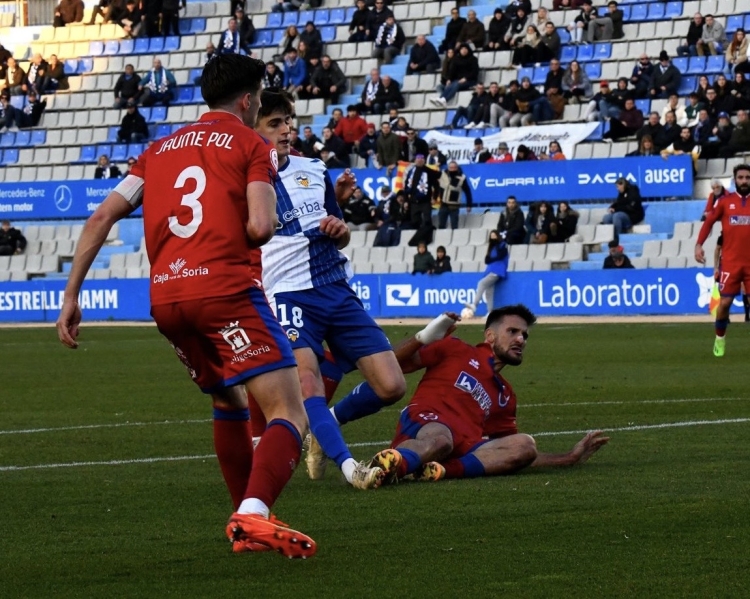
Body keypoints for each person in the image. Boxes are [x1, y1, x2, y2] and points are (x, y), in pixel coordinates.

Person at [56, 55, 316, 558]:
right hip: (225, 289)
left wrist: (71, 295)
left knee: (228, 400)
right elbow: (262, 227)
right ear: (247, 100)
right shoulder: (250, 144)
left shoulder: (157, 151)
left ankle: (247, 516)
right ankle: (254, 513)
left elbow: (102, 216)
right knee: (289, 409)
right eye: (260, 99)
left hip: (169, 299)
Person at [253, 89, 406, 487]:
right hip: (288, 292)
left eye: (288, 120)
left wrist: (340, 229)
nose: (286, 130)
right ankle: (350, 468)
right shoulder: (245, 179)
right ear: (253, 128)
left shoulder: (315, 170)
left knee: (392, 386)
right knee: (308, 383)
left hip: (336, 289)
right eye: (274, 123)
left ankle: (326, 429)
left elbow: (339, 232)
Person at [368, 308, 609, 483]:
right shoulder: (456, 349)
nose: (520, 340)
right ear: (490, 336)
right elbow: (389, 364)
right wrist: (422, 337)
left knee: (525, 445)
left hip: (463, 447)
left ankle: (436, 470)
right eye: (513, 331)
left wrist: (567, 457)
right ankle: (383, 470)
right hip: (426, 423)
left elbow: (507, 455)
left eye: (525, 335)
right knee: (442, 439)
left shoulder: (505, 394)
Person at [695, 164, 750, 357]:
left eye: (747, 178)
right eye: (741, 177)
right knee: (725, 303)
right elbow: (709, 221)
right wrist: (699, 244)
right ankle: (720, 339)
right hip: (731, 263)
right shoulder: (725, 202)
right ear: (735, 180)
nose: (744, 181)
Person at [464, 230, 509, 315]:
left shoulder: (502, 245)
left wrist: (492, 258)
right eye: (491, 236)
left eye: (494, 235)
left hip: (497, 271)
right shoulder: (492, 248)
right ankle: (490, 312)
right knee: (489, 291)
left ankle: (474, 304)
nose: (492, 237)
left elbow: (500, 256)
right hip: (491, 270)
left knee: (481, 283)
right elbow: (487, 260)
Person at [404, 154, 440, 228]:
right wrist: (406, 200)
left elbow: (436, 186)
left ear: (424, 161)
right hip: (414, 201)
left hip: (425, 201)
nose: (419, 161)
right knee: (414, 222)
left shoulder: (429, 171)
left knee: (427, 221)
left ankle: (427, 237)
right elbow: (406, 187)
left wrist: (434, 197)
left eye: (421, 160)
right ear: (415, 161)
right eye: (418, 160)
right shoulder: (411, 172)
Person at [437, 161, 472, 230]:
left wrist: (469, 205)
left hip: (454, 206)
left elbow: (467, 191)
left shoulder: (462, 177)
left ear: (457, 168)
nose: (452, 169)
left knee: (454, 225)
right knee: (441, 224)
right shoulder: (442, 174)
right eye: (450, 167)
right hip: (444, 204)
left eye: (454, 168)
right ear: (448, 167)